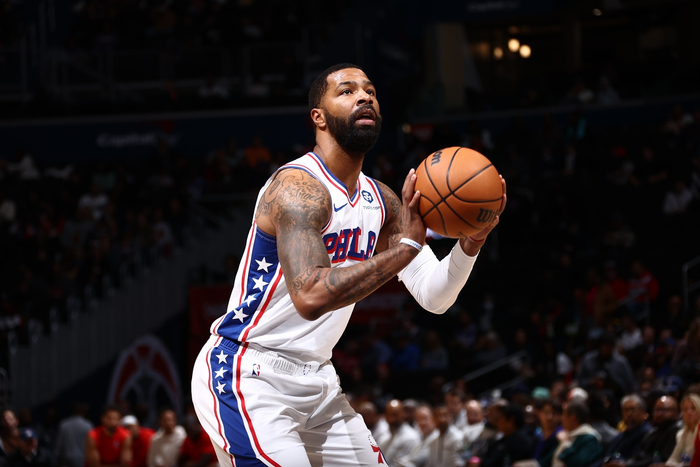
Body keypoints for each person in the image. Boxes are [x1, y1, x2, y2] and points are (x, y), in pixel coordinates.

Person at [190, 62, 506, 467]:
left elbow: (434, 297)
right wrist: (405, 249)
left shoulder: (383, 200)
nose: (364, 97)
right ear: (318, 118)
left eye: (370, 91)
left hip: (318, 379)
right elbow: (310, 296)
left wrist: (470, 243)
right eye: (347, 91)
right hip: (248, 373)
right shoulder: (298, 187)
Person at [625, 395, 680, 467]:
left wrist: (628, 466)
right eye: (656, 410)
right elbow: (639, 455)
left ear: (676, 413)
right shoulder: (652, 432)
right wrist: (626, 464)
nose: (659, 414)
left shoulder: (676, 431)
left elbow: (662, 458)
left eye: (664, 410)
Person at [600, 394, 652, 466]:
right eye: (625, 410)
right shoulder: (619, 437)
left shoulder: (648, 434)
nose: (629, 413)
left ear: (643, 412)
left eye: (633, 409)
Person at [552, 401, 603, 467]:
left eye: (564, 414)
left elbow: (577, 463)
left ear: (572, 417)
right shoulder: (568, 434)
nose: (562, 418)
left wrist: (565, 443)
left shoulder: (591, 439)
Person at [375, 399, 421, 466]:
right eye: (388, 414)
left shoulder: (411, 437)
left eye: (394, 415)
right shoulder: (384, 437)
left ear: (403, 414)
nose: (391, 418)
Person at [54, 403, 93, 467]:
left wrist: (57, 455)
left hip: (67, 459)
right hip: (82, 460)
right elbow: (91, 445)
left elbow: (59, 444)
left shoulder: (64, 424)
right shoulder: (88, 425)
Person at [665, 393, 700, 467]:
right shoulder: (680, 434)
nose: (689, 412)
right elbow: (673, 458)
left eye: (693, 408)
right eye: (685, 409)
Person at [534, 399, 563, 467]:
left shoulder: (560, 436)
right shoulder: (537, 435)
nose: (549, 417)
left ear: (560, 416)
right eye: (546, 412)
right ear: (539, 413)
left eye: (554, 413)